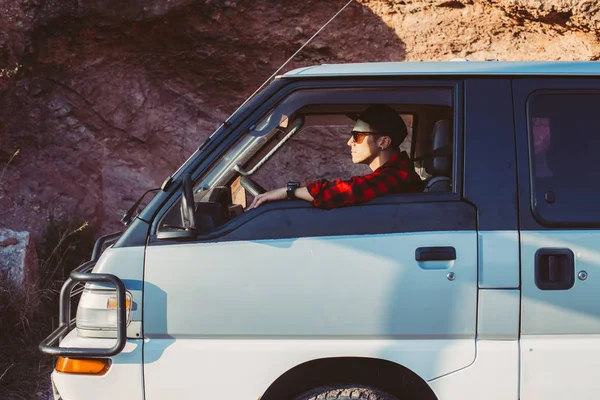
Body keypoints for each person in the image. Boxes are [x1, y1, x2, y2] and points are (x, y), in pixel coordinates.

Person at [247, 104, 425, 210]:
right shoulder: (393, 175)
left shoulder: (398, 176)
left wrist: (290, 191)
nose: (349, 142)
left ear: (383, 142)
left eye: (357, 136)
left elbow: (349, 191)